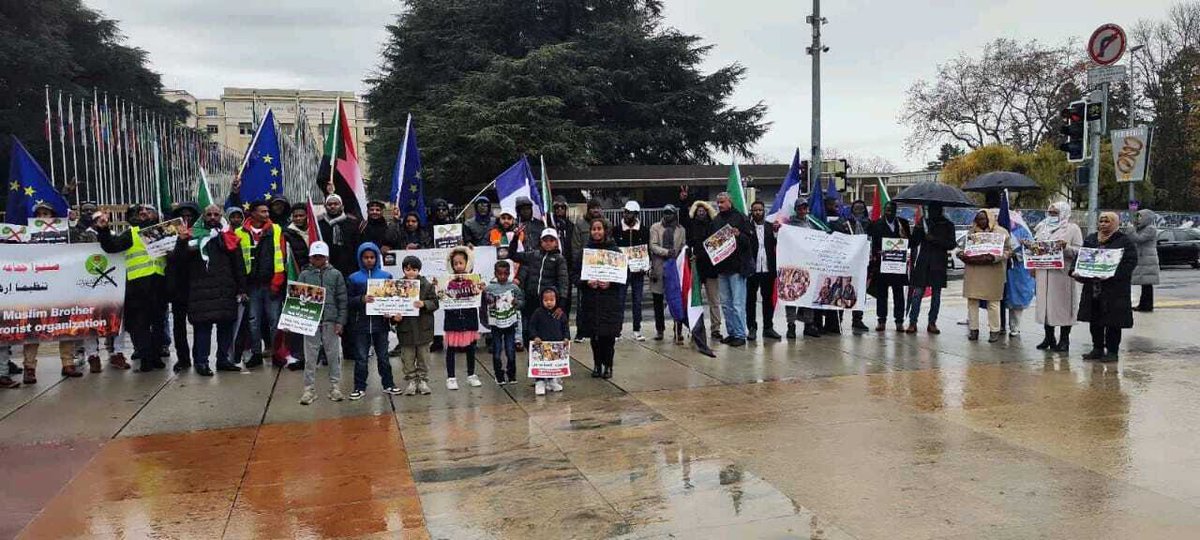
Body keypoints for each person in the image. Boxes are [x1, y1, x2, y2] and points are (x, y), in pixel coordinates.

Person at [172, 204, 246, 376]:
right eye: (209, 214)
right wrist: (181, 241)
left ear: (221, 216)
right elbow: (179, 260)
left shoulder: (228, 236)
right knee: (203, 330)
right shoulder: (192, 236)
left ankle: (223, 360)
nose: (212, 217)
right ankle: (202, 362)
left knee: (226, 328)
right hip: (201, 291)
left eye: (216, 214)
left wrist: (242, 288)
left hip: (225, 290)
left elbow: (239, 265)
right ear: (203, 216)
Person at [96, 205, 168, 373]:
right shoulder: (131, 234)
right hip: (137, 288)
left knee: (158, 324)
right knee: (139, 326)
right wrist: (104, 229)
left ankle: (156, 356)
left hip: (159, 286)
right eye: (139, 212)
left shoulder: (163, 232)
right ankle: (145, 358)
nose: (143, 213)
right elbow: (111, 246)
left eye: (146, 211)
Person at [1077, 212, 1138, 362]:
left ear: (1115, 223)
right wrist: (1076, 271)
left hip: (1114, 290)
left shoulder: (1124, 241)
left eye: (1107, 221)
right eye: (1101, 221)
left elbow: (1130, 262)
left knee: (1113, 322)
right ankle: (1097, 348)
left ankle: (1112, 351)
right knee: (1095, 320)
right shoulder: (1091, 239)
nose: (1103, 224)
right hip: (1094, 288)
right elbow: (1082, 257)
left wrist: (1113, 274)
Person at [345, 242, 401, 399]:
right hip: (360, 324)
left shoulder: (386, 276)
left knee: (383, 356)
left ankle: (388, 384)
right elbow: (348, 300)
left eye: (372, 257)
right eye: (365, 257)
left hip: (380, 324)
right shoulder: (354, 278)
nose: (369, 260)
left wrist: (391, 314)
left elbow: (393, 299)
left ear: (377, 258)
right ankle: (359, 387)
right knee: (361, 358)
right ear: (360, 258)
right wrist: (361, 299)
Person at [235, 200, 286, 368]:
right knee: (253, 321)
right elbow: (237, 261)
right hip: (251, 286)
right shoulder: (240, 232)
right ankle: (256, 353)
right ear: (253, 213)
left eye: (267, 211)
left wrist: (277, 281)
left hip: (271, 283)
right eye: (263, 211)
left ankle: (277, 353)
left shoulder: (276, 229)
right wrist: (242, 287)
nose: (267, 214)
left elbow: (281, 256)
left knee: (274, 321)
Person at [296, 241, 348, 405]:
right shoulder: (304, 275)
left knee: (333, 356)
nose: (318, 259)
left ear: (326, 257)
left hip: (330, 321)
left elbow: (342, 299)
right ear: (311, 258)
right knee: (310, 358)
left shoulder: (336, 274)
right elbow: (297, 299)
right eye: (315, 257)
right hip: (311, 322)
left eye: (321, 256)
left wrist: (340, 321)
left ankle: (335, 386)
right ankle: (308, 389)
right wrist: (297, 320)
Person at [1029, 202, 1083, 352]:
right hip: (1043, 272)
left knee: (1063, 306)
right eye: (1050, 212)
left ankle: (1064, 339)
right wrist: (1032, 264)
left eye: (1055, 213)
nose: (1052, 215)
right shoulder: (1042, 227)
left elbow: (1079, 250)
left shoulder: (1072, 229)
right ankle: (1049, 337)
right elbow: (1035, 248)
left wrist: (1066, 247)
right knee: (1046, 306)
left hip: (1062, 274)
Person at [577, 219, 624, 379]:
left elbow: (624, 275)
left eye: (599, 229)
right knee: (594, 336)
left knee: (608, 337)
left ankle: (608, 366)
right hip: (592, 300)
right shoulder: (586, 251)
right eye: (593, 229)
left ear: (605, 230)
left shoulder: (615, 251)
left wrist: (610, 282)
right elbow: (575, 275)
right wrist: (586, 282)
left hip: (609, 301)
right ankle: (597, 365)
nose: (596, 232)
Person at [958, 209, 1012, 342]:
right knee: (972, 300)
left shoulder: (1001, 232)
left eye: (983, 219)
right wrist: (960, 254)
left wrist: (995, 257)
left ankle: (994, 330)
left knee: (993, 302)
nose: (981, 222)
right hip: (974, 270)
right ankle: (973, 330)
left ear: (989, 219)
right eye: (978, 219)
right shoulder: (972, 232)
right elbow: (962, 248)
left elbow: (1009, 251)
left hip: (993, 271)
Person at [510, 228, 570, 344]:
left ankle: (545, 361)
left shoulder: (559, 259)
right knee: (528, 332)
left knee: (546, 333)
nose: (548, 243)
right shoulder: (533, 255)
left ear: (556, 242)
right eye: (545, 240)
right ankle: (532, 359)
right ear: (541, 241)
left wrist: (561, 305)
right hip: (531, 300)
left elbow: (563, 282)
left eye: (551, 240)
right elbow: (513, 255)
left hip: (548, 303)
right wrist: (515, 238)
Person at [710, 193, 753, 346]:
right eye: (717, 202)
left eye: (722, 202)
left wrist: (739, 234)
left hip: (737, 268)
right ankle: (732, 332)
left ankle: (741, 335)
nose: (719, 205)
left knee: (737, 304)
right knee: (726, 304)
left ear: (730, 202)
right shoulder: (716, 220)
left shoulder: (740, 218)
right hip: (722, 268)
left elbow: (749, 242)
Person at [906, 203, 956, 334]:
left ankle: (932, 322)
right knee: (917, 294)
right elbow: (913, 243)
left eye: (936, 209)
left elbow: (951, 244)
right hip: (923, 263)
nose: (933, 212)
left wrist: (934, 239)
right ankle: (912, 322)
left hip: (938, 264)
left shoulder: (948, 225)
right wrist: (917, 229)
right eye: (931, 209)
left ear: (941, 210)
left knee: (936, 296)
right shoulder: (924, 223)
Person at [395, 255, 439, 395]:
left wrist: (424, 304)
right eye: (408, 269)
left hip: (423, 329)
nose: (411, 272)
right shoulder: (397, 286)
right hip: (406, 329)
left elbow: (435, 303)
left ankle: (423, 380)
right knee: (407, 359)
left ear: (419, 270)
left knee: (423, 358)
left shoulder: (426, 285)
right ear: (403, 270)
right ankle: (412, 381)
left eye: (414, 269)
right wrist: (394, 317)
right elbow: (392, 306)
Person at [681, 198, 723, 340]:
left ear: (707, 211)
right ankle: (696, 327)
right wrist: (683, 200)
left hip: (711, 267)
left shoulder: (714, 224)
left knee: (714, 300)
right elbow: (683, 218)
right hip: (695, 267)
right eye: (698, 210)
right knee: (695, 300)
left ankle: (716, 328)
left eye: (703, 210)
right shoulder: (690, 225)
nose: (700, 212)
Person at [867, 201, 911, 332]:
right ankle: (881, 321)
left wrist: (905, 240)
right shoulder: (876, 224)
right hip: (882, 265)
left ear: (895, 211)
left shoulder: (903, 224)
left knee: (898, 294)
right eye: (886, 210)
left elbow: (909, 243)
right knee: (882, 294)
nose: (889, 212)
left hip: (897, 264)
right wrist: (878, 252)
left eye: (891, 210)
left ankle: (899, 321)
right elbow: (873, 245)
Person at [443, 247, 483, 390]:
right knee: (451, 349)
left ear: (467, 263)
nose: (458, 266)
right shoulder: (449, 281)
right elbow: (445, 297)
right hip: (453, 320)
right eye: (455, 263)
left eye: (461, 263)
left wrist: (479, 290)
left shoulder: (472, 280)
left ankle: (471, 375)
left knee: (471, 348)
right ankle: (451, 377)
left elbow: (477, 296)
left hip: (469, 318)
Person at [165, 202, 199, 372]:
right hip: (178, 287)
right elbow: (172, 258)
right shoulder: (169, 236)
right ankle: (183, 358)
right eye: (182, 216)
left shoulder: (200, 233)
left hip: (196, 286)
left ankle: (200, 358)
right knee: (179, 326)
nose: (186, 219)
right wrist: (180, 241)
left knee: (200, 325)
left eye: (189, 216)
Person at [781, 199, 821, 338]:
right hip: (792, 265)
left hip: (808, 265)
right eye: (800, 208)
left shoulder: (812, 224)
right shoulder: (788, 225)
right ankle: (790, 325)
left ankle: (808, 324)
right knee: (791, 295)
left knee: (808, 295)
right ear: (796, 209)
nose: (802, 211)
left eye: (804, 208)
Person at [649, 205, 687, 342]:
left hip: (674, 267)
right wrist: (665, 252)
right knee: (657, 301)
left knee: (676, 300)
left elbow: (683, 245)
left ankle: (678, 330)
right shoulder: (655, 227)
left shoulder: (681, 229)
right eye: (665, 213)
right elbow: (652, 245)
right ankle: (660, 330)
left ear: (674, 214)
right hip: (659, 267)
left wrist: (682, 253)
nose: (667, 215)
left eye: (670, 213)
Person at [746, 201, 781, 340]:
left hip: (768, 269)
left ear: (764, 211)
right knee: (750, 300)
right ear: (751, 212)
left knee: (768, 299)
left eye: (760, 210)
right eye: (755, 210)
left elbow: (777, 244)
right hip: (752, 269)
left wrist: (777, 233)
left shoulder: (771, 227)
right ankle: (752, 328)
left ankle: (768, 327)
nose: (758, 212)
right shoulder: (746, 227)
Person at [484, 260, 523, 385]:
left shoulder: (513, 287)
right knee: (497, 351)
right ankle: (499, 375)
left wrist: (516, 303)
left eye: (505, 274)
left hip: (510, 324)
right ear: (495, 273)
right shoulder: (489, 288)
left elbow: (522, 301)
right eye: (500, 274)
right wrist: (489, 300)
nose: (502, 276)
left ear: (509, 273)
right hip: (496, 324)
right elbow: (484, 304)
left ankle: (511, 374)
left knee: (510, 350)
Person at [615, 200, 649, 341]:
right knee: (620, 301)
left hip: (638, 271)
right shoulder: (617, 230)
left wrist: (647, 265)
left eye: (629, 212)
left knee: (637, 300)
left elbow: (646, 250)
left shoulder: (643, 230)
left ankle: (637, 329)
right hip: (622, 271)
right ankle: (617, 330)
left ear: (635, 214)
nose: (626, 214)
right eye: (625, 212)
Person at [529, 287, 569, 395]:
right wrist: (535, 336)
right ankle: (540, 382)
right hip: (541, 344)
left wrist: (566, 337)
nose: (549, 303)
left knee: (552, 364)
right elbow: (532, 326)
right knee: (541, 364)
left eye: (551, 300)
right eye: (546, 300)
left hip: (555, 344)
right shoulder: (538, 313)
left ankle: (552, 381)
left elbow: (565, 326)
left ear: (556, 300)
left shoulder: (560, 314)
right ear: (542, 300)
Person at [317, 194, 361, 279]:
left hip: (348, 267)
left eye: (336, 204)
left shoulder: (352, 223)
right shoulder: (319, 224)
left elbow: (357, 245)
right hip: (326, 267)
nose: (332, 206)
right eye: (329, 204)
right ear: (325, 207)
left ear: (342, 206)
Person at [1125, 208, 1160, 312]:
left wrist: (1131, 230)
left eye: (1140, 217)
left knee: (1147, 283)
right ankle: (1143, 304)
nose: (1137, 220)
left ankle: (1147, 305)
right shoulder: (1141, 228)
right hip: (1143, 257)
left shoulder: (1150, 228)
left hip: (1148, 258)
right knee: (1144, 283)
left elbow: (1139, 239)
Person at [549, 196, 578, 318]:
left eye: (562, 207)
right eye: (556, 207)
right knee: (551, 297)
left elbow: (575, 246)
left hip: (567, 268)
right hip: (552, 267)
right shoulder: (549, 225)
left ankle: (564, 327)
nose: (559, 209)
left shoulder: (571, 226)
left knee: (566, 298)